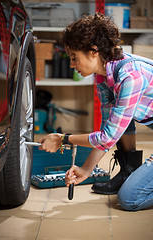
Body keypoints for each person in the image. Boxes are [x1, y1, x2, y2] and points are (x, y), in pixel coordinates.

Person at [38, 13, 153, 211]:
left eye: (74, 58)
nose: (71, 64)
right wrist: (85, 170)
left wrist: (63, 139)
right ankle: (129, 172)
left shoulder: (130, 77)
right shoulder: (103, 77)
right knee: (118, 121)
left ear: (93, 51)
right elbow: (109, 129)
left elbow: (107, 138)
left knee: (129, 199)